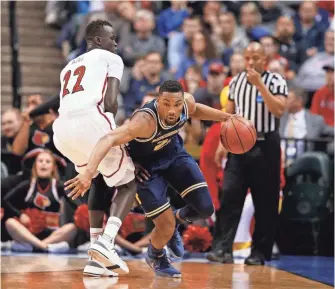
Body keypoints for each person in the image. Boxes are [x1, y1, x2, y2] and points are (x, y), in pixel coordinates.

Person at [65, 80, 234, 278]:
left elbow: (195, 110)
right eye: (166, 104)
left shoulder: (185, 103)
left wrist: (227, 117)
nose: (172, 110)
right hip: (146, 168)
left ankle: (177, 219)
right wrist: (88, 173)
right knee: (165, 225)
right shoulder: (144, 121)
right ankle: (156, 255)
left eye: (177, 104)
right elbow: (108, 139)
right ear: (158, 100)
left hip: (174, 154)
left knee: (205, 208)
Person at [52, 19, 137, 277]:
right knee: (129, 182)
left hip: (62, 131)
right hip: (91, 123)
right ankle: (106, 242)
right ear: (98, 39)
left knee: (97, 177)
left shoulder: (68, 66)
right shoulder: (111, 58)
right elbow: (111, 101)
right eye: (112, 38)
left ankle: (95, 257)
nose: (116, 43)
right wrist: (113, 132)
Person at [206, 42, 288, 265]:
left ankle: (259, 253)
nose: (251, 62)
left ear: (265, 59)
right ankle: (222, 249)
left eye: (255, 58)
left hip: (266, 145)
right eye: (247, 58)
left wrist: (260, 86)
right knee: (230, 196)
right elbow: (228, 115)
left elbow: (279, 110)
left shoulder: (276, 81)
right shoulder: (236, 82)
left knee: (265, 202)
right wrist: (223, 145)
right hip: (238, 147)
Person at [4, 150, 77, 253]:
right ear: (35, 166)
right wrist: (20, 215)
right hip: (29, 233)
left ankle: (35, 247)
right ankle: (45, 247)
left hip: (52, 234)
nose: (43, 164)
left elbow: (78, 205)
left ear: (53, 167)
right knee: (10, 223)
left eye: (48, 161)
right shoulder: (28, 185)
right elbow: (5, 201)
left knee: (72, 228)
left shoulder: (59, 186)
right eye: (40, 161)